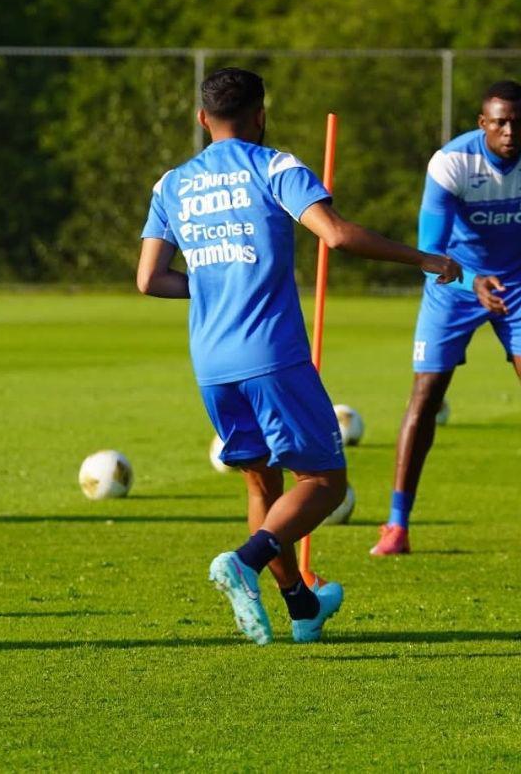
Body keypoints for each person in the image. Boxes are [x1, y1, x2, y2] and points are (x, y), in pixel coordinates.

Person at [137, 67, 461, 645]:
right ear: (260, 115)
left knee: (262, 486)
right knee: (323, 482)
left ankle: (300, 606)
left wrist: (215, 283)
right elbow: (333, 235)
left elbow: (149, 280)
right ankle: (246, 560)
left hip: (211, 363)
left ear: (201, 118)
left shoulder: (171, 184)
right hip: (273, 356)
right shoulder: (274, 166)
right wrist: (423, 259)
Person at [370, 80, 521, 558]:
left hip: (519, 282)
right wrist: (472, 279)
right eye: (500, 122)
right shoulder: (451, 163)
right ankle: (396, 525)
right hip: (453, 282)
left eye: (519, 121)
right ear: (482, 124)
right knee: (425, 397)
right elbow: (430, 250)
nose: (511, 131)